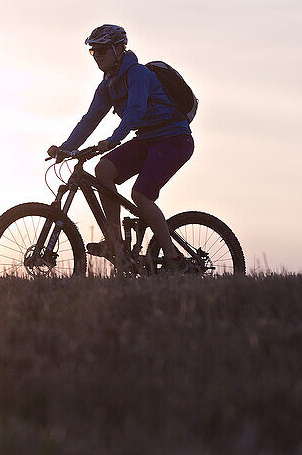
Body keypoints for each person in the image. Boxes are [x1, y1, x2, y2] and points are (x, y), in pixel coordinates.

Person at [46, 24, 195, 272]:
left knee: (141, 195)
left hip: (174, 139)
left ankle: (174, 259)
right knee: (104, 169)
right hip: (148, 140)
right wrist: (66, 149)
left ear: (118, 49)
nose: (98, 56)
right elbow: (90, 119)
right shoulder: (108, 85)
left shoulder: (137, 74)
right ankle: (114, 242)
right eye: (93, 52)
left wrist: (114, 139)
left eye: (103, 50)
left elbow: (135, 112)